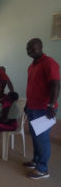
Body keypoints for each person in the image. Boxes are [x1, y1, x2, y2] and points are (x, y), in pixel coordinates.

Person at [24, 38, 60, 179]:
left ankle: (43, 169)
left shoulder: (49, 63)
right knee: (35, 137)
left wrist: (51, 105)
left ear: (41, 47)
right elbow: (32, 87)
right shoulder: (32, 65)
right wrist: (27, 104)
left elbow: (56, 85)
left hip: (44, 109)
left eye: (33, 48)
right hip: (33, 107)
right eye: (28, 49)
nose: (30, 51)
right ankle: (36, 161)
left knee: (42, 139)